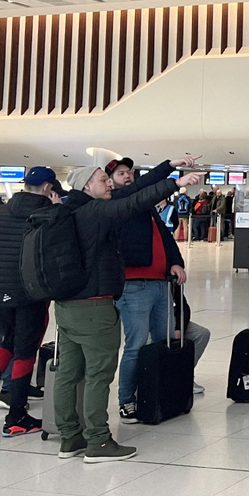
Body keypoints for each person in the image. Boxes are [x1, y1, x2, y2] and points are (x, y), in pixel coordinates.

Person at [52, 165, 204, 462]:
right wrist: (175, 184)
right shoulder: (94, 211)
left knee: (68, 374)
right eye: (103, 180)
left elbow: (133, 192)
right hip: (94, 306)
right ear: (86, 186)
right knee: (98, 375)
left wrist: (169, 170)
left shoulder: (69, 210)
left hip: (67, 305)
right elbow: (134, 200)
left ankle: (69, 437)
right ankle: (98, 441)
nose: (109, 184)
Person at [0, 168, 65, 437]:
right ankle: (16, 417)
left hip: (0, 292)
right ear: (47, 187)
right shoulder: (48, 213)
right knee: (25, 351)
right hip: (30, 293)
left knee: (8, 343)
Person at [106, 156, 200, 422]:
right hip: (134, 286)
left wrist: (176, 262)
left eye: (129, 172)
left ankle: (158, 394)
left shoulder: (145, 209)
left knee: (164, 342)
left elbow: (165, 238)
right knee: (136, 345)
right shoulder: (117, 203)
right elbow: (142, 186)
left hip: (160, 284)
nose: (128, 176)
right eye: (121, 173)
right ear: (110, 182)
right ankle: (127, 400)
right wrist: (171, 169)